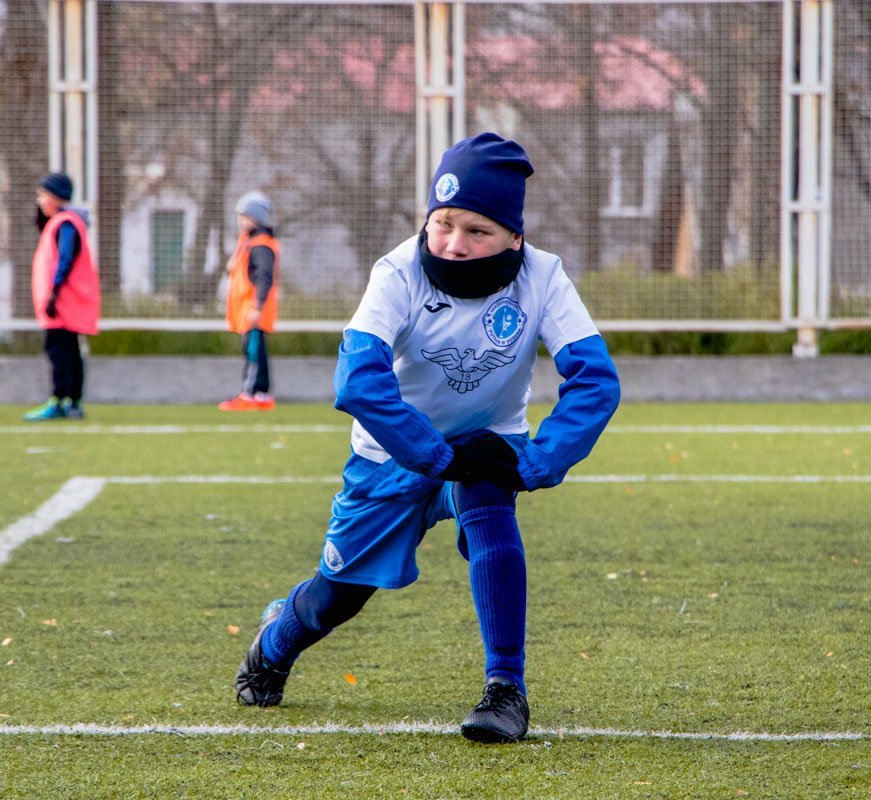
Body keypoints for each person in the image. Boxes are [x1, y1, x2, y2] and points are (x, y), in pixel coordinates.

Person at [234, 132, 621, 744]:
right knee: (337, 599)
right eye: (443, 224)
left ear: (514, 237)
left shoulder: (543, 276)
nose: (454, 244)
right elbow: (358, 380)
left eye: (477, 231)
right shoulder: (397, 272)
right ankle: (276, 639)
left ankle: (505, 690)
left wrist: (537, 461)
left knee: (491, 508)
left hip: (487, 444)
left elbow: (596, 380)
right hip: (392, 455)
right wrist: (436, 455)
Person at [24, 172, 100, 421]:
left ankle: (62, 399)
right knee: (67, 350)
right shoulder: (60, 222)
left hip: (63, 302)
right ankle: (70, 401)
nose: (39, 200)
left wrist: (54, 293)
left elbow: (65, 259)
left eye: (42, 195)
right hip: (63, 301)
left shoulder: (66, 223)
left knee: (60, 350)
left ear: (56, 197)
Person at [219, 191, 281, 411]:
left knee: (254, 352)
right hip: (248, 309)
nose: (240, 221)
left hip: (254, 309)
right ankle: (261, 395)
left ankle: (250, 394)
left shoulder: (261, 245)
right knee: (255, 351)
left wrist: (257, 306)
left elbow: (264, 277)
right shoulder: (248, 243)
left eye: (244, 216)